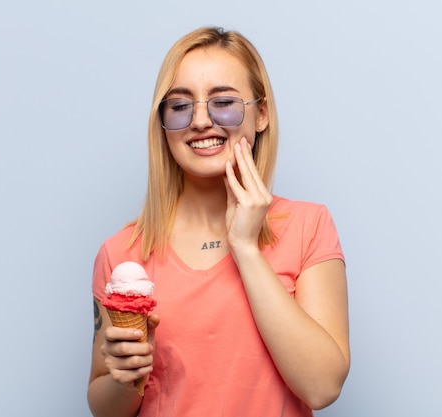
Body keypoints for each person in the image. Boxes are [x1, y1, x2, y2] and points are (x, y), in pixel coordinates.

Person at [87, 26, 350, 417]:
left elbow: (322, 386)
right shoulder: (122, 252)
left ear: (261, 114)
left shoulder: (308, 226)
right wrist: (124, 377)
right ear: (162, 123)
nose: (200, 121)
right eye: (179, 106)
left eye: (222, 102)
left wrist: (245, 247)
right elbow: (105, 407)